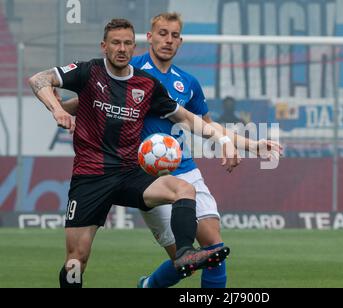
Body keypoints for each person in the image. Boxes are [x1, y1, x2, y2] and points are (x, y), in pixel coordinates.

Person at [60, 13, 281, 288]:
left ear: (180, 41)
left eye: (174, 35)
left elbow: (204, 124)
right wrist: (64, 110)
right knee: (183, 260)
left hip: (186, 169)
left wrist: (251, 145)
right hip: (147, 175)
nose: (168, 40)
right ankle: (150, 285)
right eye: (162, 33)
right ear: (149, 37)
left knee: (214, 250)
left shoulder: (187, 82)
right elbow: (91, 98)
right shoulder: (130, 68)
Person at [28, 18, 239, 288]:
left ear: (134, 46)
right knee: (76, 259)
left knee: (184, 189)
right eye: (116, 42)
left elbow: (185, 118)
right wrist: (57, 109)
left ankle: (186, 253)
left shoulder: (147, 84)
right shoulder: (87, 72)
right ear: (104, 46)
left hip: (130, 174)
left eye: (128, 43)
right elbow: (40, 79)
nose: (122, 48)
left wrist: (222, 137)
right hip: (91, 177)